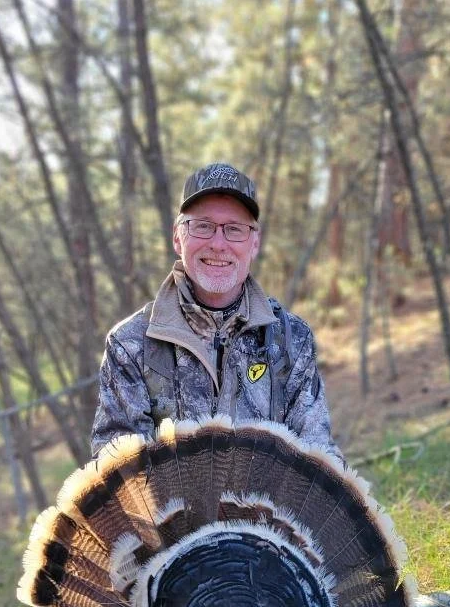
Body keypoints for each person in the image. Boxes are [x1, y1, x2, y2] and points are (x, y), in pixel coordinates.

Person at [90, 162, 343, 461]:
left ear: (255, 243)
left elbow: (317, 456)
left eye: (234, 229)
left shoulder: (291, 339)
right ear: (177, 237)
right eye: (203, 226)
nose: (218, 244)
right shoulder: (130, 345)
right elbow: (120, 469)